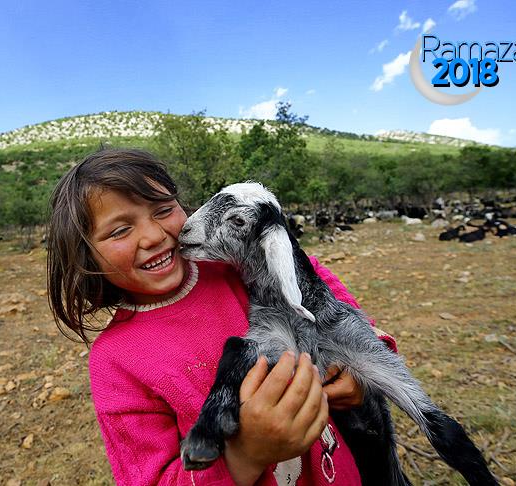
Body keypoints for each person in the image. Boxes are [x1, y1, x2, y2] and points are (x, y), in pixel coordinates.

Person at [47, 148, 397, 486]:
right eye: (121, 230)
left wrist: (359, 365)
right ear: (85, 256)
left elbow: (314, 281)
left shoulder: (232, 267)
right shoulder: (115, 361)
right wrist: (246, 455)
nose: (154, 236)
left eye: (164, 209)